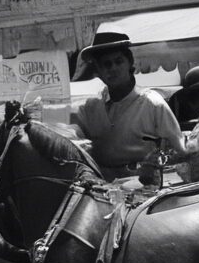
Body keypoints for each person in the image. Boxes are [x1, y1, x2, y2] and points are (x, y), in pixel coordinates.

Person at [71, 30, 185, 182]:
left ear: (129, 63)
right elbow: (72, 140)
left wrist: (155, 163)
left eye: (118, 61)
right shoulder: (90, 108)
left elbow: (180, 151)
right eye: (106, 64)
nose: (113, 68)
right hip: (103, 193)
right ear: (98, 71)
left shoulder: (152, 104)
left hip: (146, 191)